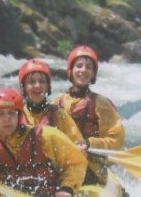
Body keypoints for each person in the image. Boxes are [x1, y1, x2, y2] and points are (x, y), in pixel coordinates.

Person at [0, 88, 87, 197]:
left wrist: (67, 188)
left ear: (20, 116)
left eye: (12, 113)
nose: (7, 119)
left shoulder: (46, 136)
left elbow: (76, 162)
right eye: (1, 114)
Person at [53, 45, 125, 185]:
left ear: (93, 74)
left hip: (91, 167)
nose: (83, 71)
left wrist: (89, 144)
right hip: (63, 165)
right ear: (71, 70)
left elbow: (116, 141)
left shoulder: (101, 104)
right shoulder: (57, 103)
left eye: (88, 67)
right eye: (79, 66)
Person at [18, 58, 84, 145]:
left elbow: (78, 143)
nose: (37, 86)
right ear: (24, 88)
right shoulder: (16, 116)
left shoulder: (60, 115)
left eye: (42, 81)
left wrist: (80, 148)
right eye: (32, 82)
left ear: (47, 87)